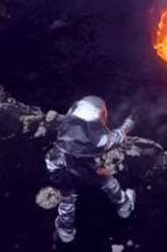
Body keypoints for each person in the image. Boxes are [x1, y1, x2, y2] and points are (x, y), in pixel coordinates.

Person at [44, 96, 136, 244]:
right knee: (109, 181)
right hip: (88, 169)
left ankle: (66, 231)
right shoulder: (100, 139)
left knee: (67, 197)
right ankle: (124, 207)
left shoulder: (65, 128)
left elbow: (53, 156)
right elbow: (116, 138)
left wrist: (53, 170)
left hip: (61, 166)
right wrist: (128, 125)